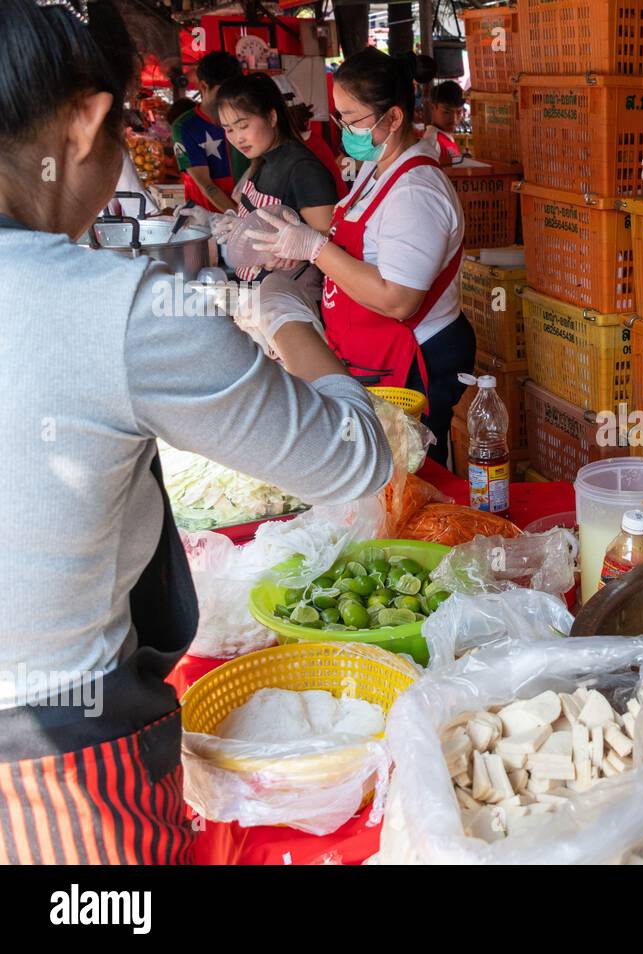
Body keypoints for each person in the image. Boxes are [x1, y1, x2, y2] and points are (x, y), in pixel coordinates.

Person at [0, 0, 393, 864]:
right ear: (90, 123)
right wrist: (289, 320)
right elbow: (355, 458)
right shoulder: (116, 312)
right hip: (54, 767)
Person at [249, 46, 475, 468]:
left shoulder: (416, 191)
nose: (344, 129)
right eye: (340, 117)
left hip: (414, 357)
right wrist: (293, 241)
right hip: (371, 350)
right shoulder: (377, 170)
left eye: (352, 120)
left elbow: (398, 299)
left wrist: (314, 248)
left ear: (393, 118)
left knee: (413, 471)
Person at [212, 72, 339, 280]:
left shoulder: (304, 170)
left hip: (286, 298)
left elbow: (329, 245)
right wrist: (235, 226)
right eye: (229, 130)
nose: (237, 138)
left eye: (243, 126)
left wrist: (299, 253)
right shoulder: (261, 160)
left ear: (271, 117)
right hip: (253, 290)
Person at [171, 50, 247, 212]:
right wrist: (238, 218)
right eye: (223, 92)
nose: (229, 99)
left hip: (248, 212)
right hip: (207, 221)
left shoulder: (246, 115)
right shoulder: (185, 127)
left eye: (233, 92)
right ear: (204, 86)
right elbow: (207, 185)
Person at [427, 79, 463, 160]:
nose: (454, 119)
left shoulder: (445, 137)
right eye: (447, 112)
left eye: (459, 113)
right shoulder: (433, 143)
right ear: (432, 108)